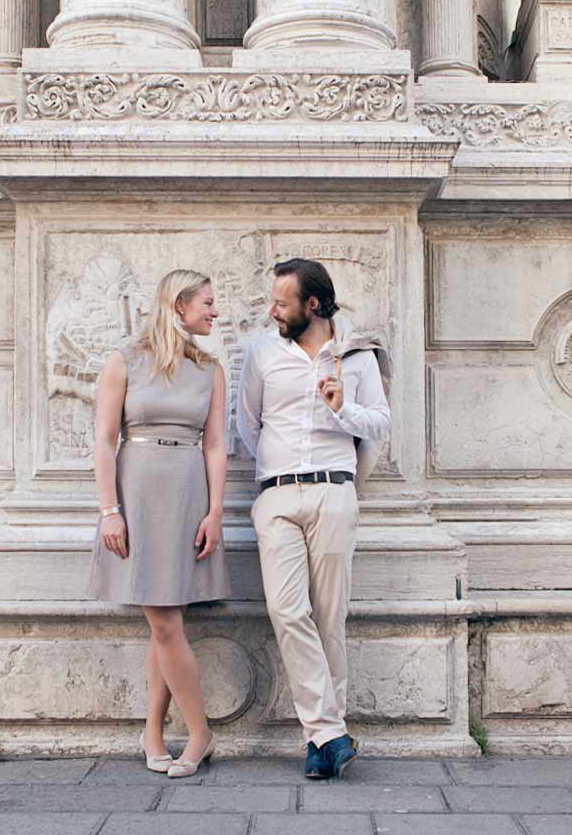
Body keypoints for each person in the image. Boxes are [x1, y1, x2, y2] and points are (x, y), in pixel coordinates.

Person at [235, 258, 391, 779]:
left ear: (314, 305)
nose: (273, 311)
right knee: (286, 610)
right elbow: (249, 426)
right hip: (277, 496)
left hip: (334, 492)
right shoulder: (260, 353)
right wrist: (278, 474)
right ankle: (331, 730)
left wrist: (343, 409)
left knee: (329, 618)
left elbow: (380, 426)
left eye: (282, 303)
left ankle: (319, 741)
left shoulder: (356, 356)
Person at [87, 269, 231, 779]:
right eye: (208, 303)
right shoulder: (124, 361)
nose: (215, 312)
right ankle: (198, 731)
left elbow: (215, 445)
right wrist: (110, 509)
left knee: (165, 621)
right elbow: (105, 440)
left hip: (187, 491)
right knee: (164, 620)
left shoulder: (210, 369)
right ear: (178, 305)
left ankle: (157, 730)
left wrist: (215, 512)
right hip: (138, 491)